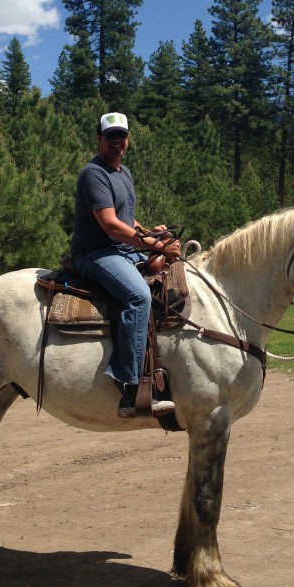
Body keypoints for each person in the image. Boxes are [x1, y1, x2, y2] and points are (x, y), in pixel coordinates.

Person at [71, 112, 180, 418]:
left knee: (169, 276)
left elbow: (126, 219)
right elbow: (111, 226)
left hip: (121, 250)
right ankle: (130, 386)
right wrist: (155, 245)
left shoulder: (123, 173)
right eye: (111, 136)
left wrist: (149, 233)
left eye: (122, 136)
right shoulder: (94, 173)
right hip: (96, 253)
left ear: (128, 140)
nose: (117, 142)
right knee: (138, 296)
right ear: (99, 140)